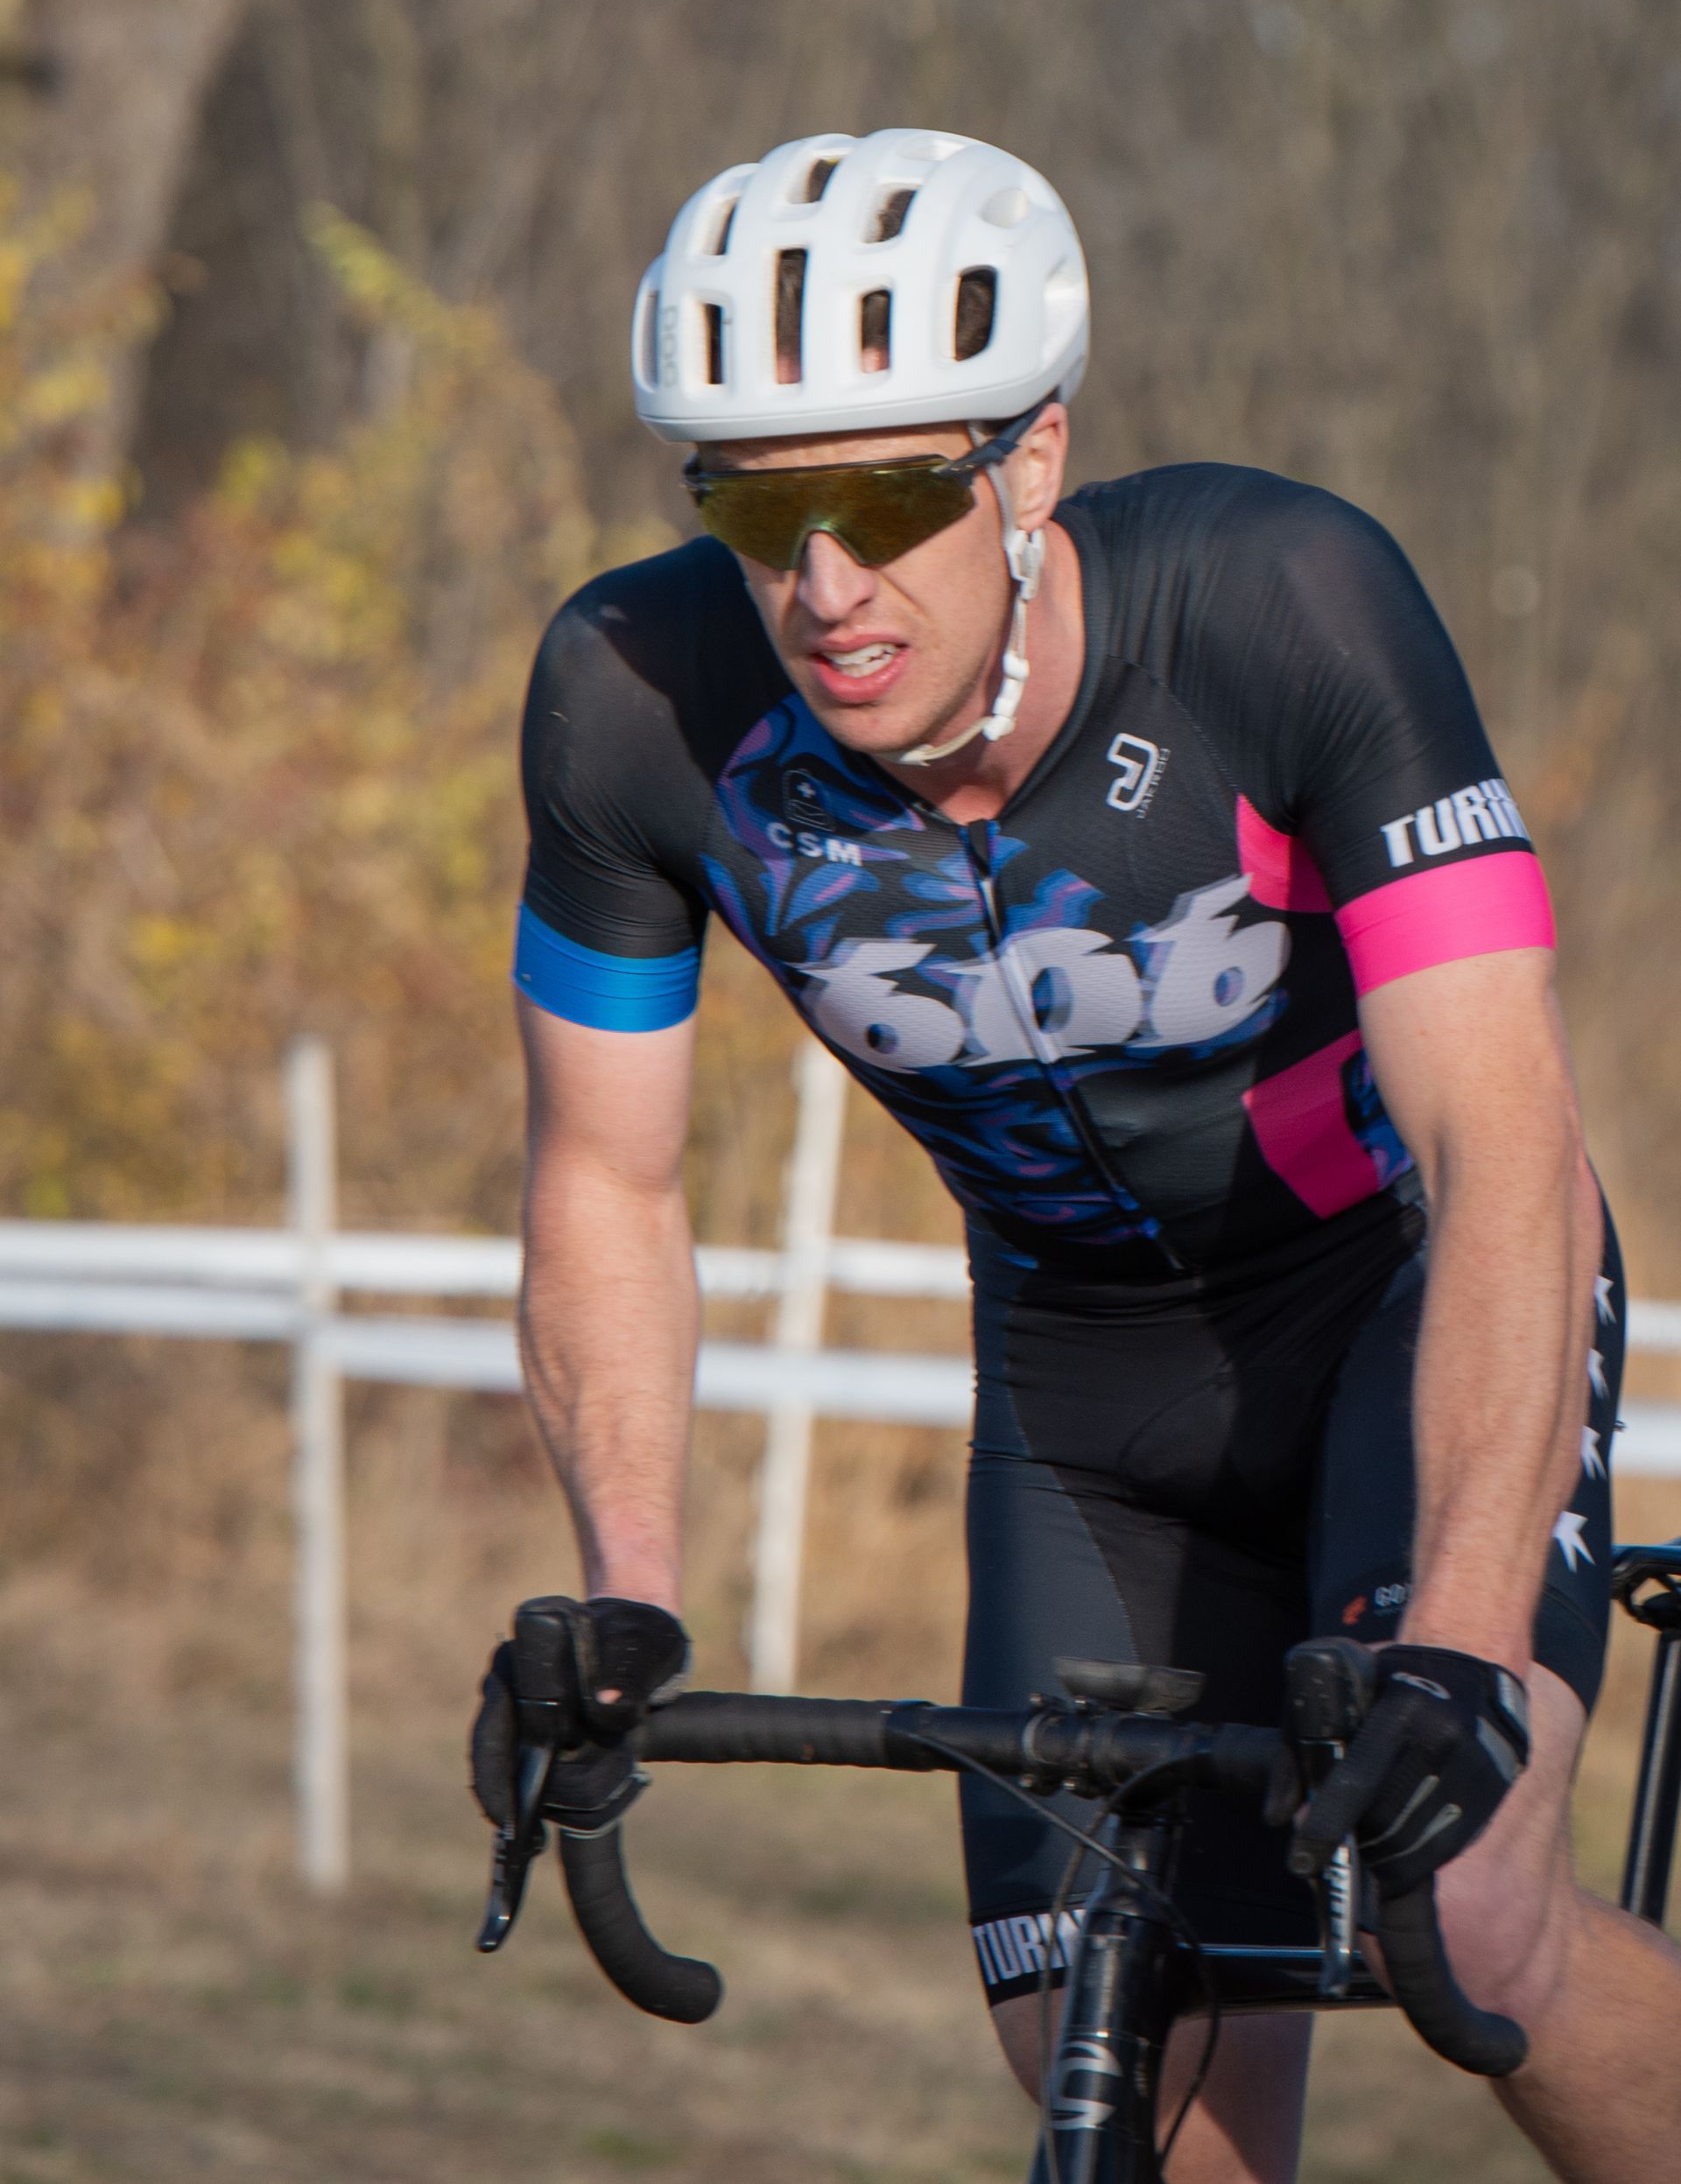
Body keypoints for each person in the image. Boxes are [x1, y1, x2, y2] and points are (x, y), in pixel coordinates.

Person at [475, 128, 1681, 2183]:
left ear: (1031, 464)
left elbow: (1505, 1142)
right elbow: (606, 1180)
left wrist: (1464, 1641)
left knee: (1468, 1912)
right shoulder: (629, 704)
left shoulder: (1285, 602)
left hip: (1404, 1288)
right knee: (1093, 2036)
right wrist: (631, 1603)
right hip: (1085, 1385)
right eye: (758, 507)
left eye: (886, 495)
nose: (822, 583)